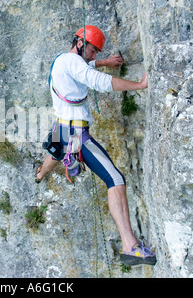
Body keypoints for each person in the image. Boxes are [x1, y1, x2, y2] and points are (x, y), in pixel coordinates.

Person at [36, 25, 156, 266]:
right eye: (92, 49)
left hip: (61, 126)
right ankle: (130, 246)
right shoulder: (73, 62)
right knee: (116, 179)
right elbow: (97, 81)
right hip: (76, 133)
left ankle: (39, 174)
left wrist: (103, 62)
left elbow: (86, 68)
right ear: (80, 42)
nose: (94, 55)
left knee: (55, 152)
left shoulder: (63, 62)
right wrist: (138, 85)